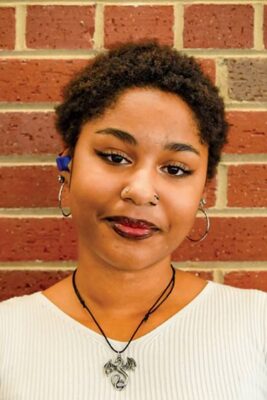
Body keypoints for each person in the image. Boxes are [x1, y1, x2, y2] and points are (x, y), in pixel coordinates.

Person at [0, 41, 266, 400]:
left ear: (202, 191)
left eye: (175, 168)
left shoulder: (256, 326)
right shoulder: (8, 335)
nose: (141, 191)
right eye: (114, 157)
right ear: (67, 167)